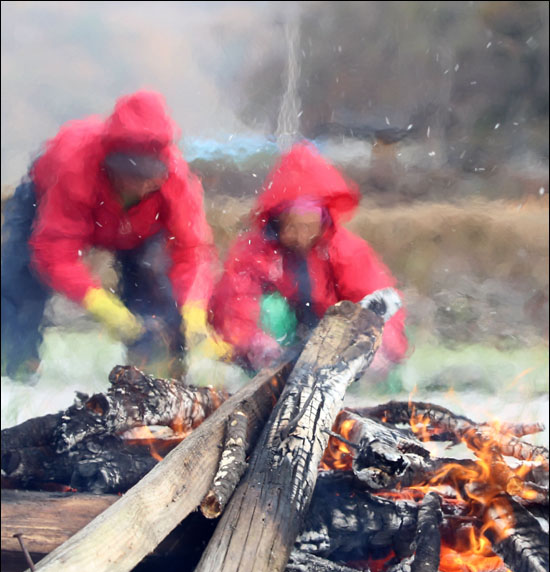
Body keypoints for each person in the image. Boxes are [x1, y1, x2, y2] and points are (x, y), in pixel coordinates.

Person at [1, 90, 230, 381]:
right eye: (131, 174)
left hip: (138, 229)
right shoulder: (75, 165)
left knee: (155, 286)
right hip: (45, 200)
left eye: (150, 175)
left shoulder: (175, 178)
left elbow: (192, 251)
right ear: (111, 164)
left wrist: (195, 311)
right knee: (20, 280)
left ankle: (152, 373)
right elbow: (54, 252)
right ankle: (16, 368)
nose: (141, 184)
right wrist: (102, 306)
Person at [209, 142, 409, 373]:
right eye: (292, 227)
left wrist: (380, 345)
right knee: (270, 309)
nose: (301, 236)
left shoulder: (344, 250)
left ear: (323, 222)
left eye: (309, 226)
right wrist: (251, 342)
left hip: (331, 346)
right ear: (277, 221)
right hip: (274, 353)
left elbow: (376, 297)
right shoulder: (253, 252)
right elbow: (233, 305)